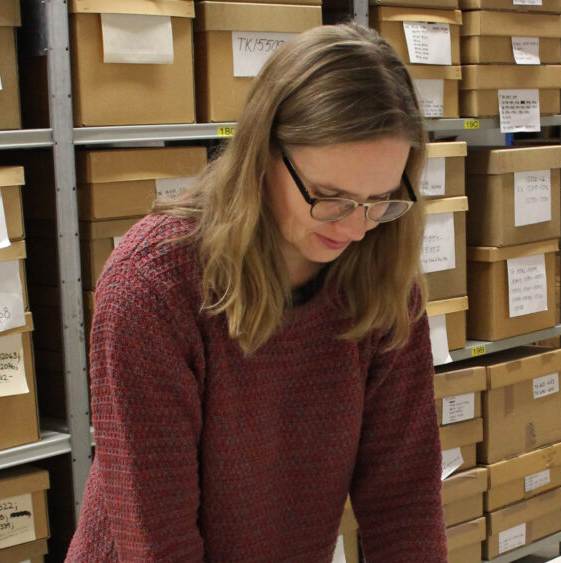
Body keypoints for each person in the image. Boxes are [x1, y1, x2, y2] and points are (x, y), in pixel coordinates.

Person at [66, 23, 447, 561]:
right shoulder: (151, 287)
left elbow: (404, 498)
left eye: (380, 199)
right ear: (262, 154)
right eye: (329, 196)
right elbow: (156, 541)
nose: (356, 227)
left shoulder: (382, 278)